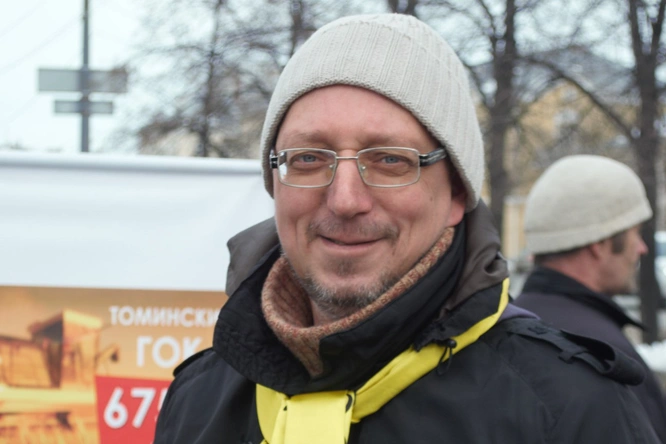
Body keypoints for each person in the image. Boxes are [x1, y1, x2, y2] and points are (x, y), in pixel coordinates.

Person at [154, 14, 660, 443]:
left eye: (391, 160)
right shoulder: (198, 399)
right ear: (274, 182)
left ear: (457, 193)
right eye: (308, 158)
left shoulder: (570, 409)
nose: (345, 200)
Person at [514, 154, 666, 443]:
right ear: (600, 243)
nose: (642, 248)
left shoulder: (505, 326)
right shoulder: (606, 355)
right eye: (635, 234)